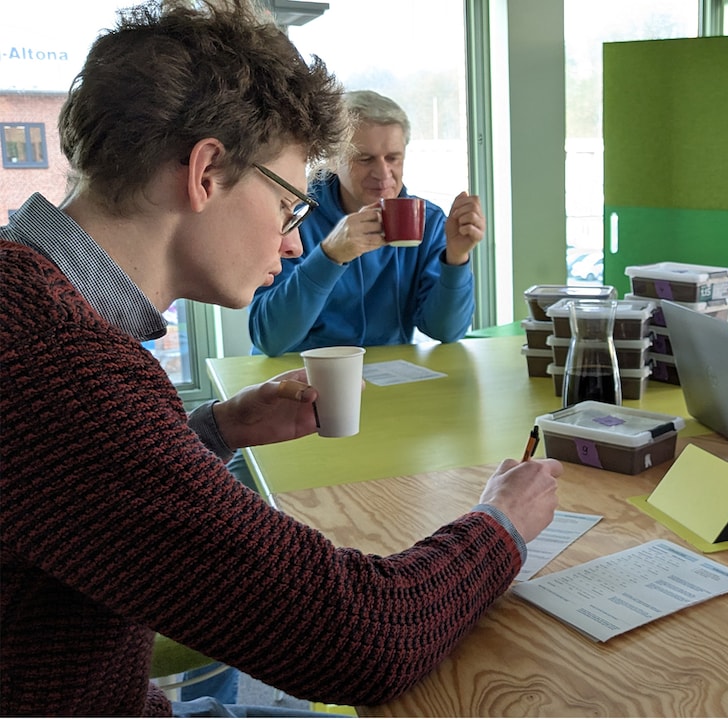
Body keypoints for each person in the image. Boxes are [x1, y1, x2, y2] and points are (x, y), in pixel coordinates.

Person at [0, 1, 560, 716]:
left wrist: (210, 432)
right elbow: (364, 640)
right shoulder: (59, 363)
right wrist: (500, 524)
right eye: (289, 205)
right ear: (205, 173)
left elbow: (80, 498)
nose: (293, 242)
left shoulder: (29, 304)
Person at [247, 89, 483, 357]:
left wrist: (456, 258)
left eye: (393, 158)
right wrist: (330, 256)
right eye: (365, 158)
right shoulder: (293, 217)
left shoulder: (427, 221)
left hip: (387, 376)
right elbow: (269, 339)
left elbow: (446, 331)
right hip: (302, 372)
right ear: (333, 159)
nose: (383, 173)